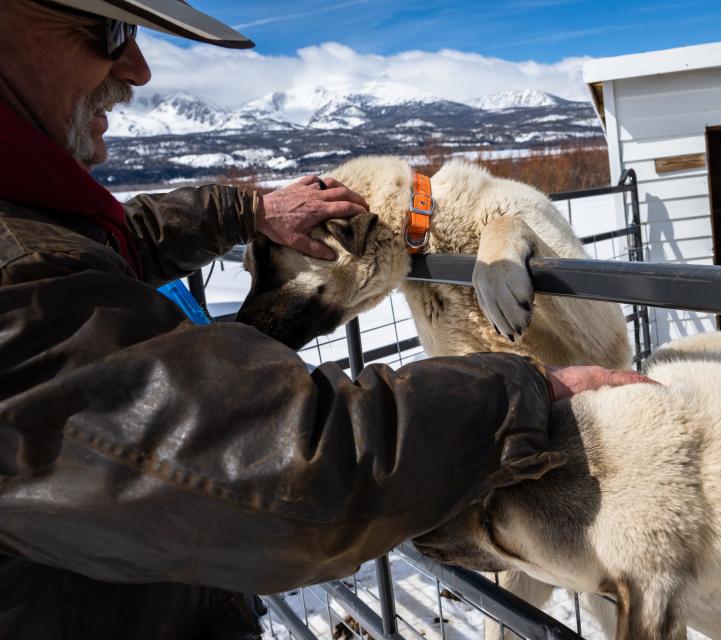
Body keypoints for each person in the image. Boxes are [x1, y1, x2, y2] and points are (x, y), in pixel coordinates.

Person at [0, 1, 648, 638]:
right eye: (110, 29)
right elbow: (292, 474)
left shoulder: (38, 220)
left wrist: (242, 210)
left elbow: (105, 238)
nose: (138, 68)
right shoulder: (18, 277)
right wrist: (520, 399)